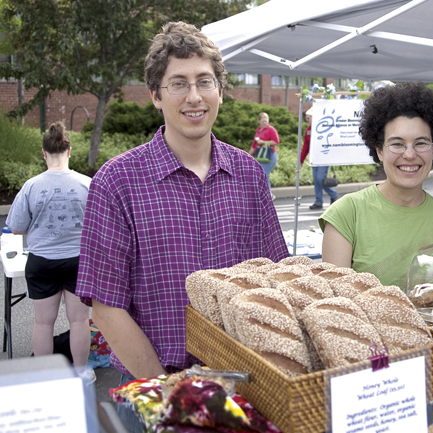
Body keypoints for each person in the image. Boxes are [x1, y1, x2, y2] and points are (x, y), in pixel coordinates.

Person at [75, 22, 289, 431]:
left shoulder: (248, 173)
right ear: (156, 96)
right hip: (152, 388)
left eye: (204, 82)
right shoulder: (117, 181)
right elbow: (105, 306)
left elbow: (272, 281)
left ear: (220, 92)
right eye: (178, 84)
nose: (194, 97)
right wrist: (171, 396)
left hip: (242, 390)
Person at [319, 82, 433, 289]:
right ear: (379, 150)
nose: (409, 154)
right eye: (397, 144)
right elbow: (335, 305)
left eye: (421, 143)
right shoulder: (346, 215)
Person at [6, 122, 94, 383]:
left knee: (43, 322)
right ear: (69, 150)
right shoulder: (87, 184)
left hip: (41, 261)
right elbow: (99, 225)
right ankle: (81, 373)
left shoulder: (31, 186)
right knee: (79, 321)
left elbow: (16, 228)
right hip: (78, 261)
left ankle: (45, 376)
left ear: (44, 153)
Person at [300, 109, 338, 210]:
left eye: (309, 118)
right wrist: (301, 160)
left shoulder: (322, 128)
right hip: (314, 159)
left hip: (324, 158)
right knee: (316, 181)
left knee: (320, 179)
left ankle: (334, 194)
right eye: (306, 118)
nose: (306, 119)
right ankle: (318, 201)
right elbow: (305, 147)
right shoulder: (308, 130)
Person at [249, 112, 279, 195]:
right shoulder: (258, 130)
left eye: (266, 121)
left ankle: (268, 195)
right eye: (263, 121)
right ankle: (267, 194)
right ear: (258, 121)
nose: (265, 123)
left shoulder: (271, 129)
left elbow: (276, 142)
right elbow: (254, 145)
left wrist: (263, 142)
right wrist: (248, 155)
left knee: (263, 174)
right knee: (263, 175)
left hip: (270, 155)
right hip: (261, 155)